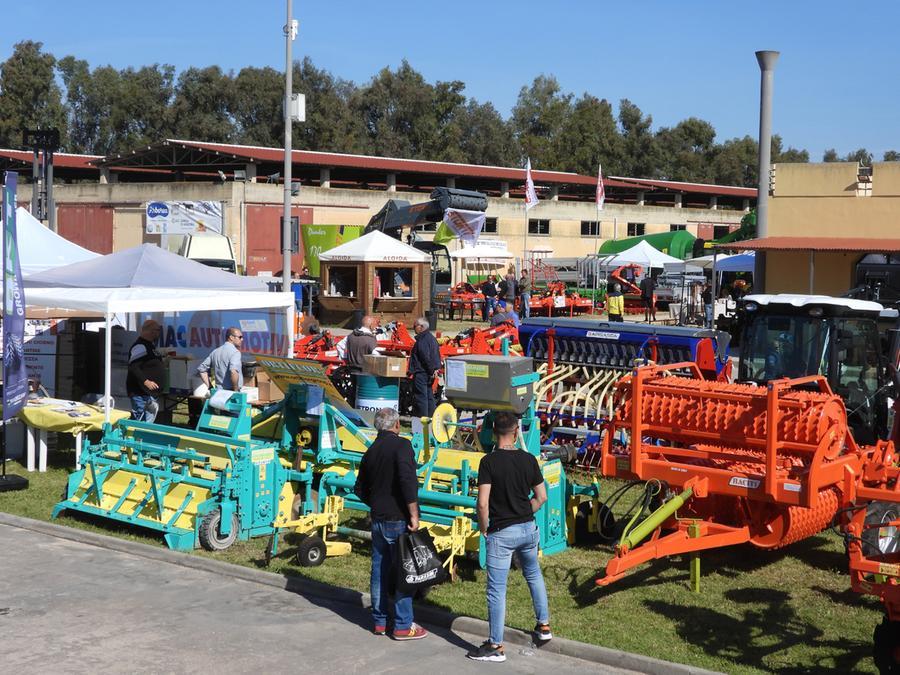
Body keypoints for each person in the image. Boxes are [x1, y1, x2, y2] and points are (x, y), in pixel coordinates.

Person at [468, 412, 551, 663]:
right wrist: (526, 510)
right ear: (516, 432)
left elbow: (482, 503)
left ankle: (496, 645)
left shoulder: (489, 462)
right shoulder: (528, 460)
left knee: (496, 589)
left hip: (502, 533)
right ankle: (544, 626)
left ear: (494, 433)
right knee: (533, 574)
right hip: (528, 529)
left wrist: (484, 528)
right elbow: (542, 497)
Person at [354, 408, 427, 640]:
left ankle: (380, 621)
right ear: (396, 425)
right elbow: (408, 481)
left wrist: (375, 503)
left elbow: (359, 488)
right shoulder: (402, 446)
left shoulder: (371, 450)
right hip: (398, 519)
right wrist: (413, 513)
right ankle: (403, 625)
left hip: (378, 519)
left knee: (379, 570)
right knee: (405, 571)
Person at [127, 319, 164, 422]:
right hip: (141, 393)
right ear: (151, 331)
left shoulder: (150, 345)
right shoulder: (140, 346)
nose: (159, 333)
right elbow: (133, 367)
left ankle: (141, 438)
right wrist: (146, 381)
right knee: (140, 423)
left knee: (146, 425)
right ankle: (136, 438)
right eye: (157, 330)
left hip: (148, 395)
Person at [408, 317, 441, 418]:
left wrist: (430, 370)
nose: (413, 328)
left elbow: (425, 358)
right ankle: (431, 419)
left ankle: (423, 421)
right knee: (429, 397)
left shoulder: (422, 340)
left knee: (421, 398)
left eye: (415, 326)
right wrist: (434, 369)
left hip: (422, 372)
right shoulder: (432, 338)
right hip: (429, 373)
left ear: (421, 327)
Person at [197, 327, 244, 392]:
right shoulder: (235, 352)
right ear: (231, 337)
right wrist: (236, 390)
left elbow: (202, 370)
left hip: (218, 392)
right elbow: (233, 371)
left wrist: (210, 387)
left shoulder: (215, 352)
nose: (242, 339)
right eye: (240, 337)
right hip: (231, 392)